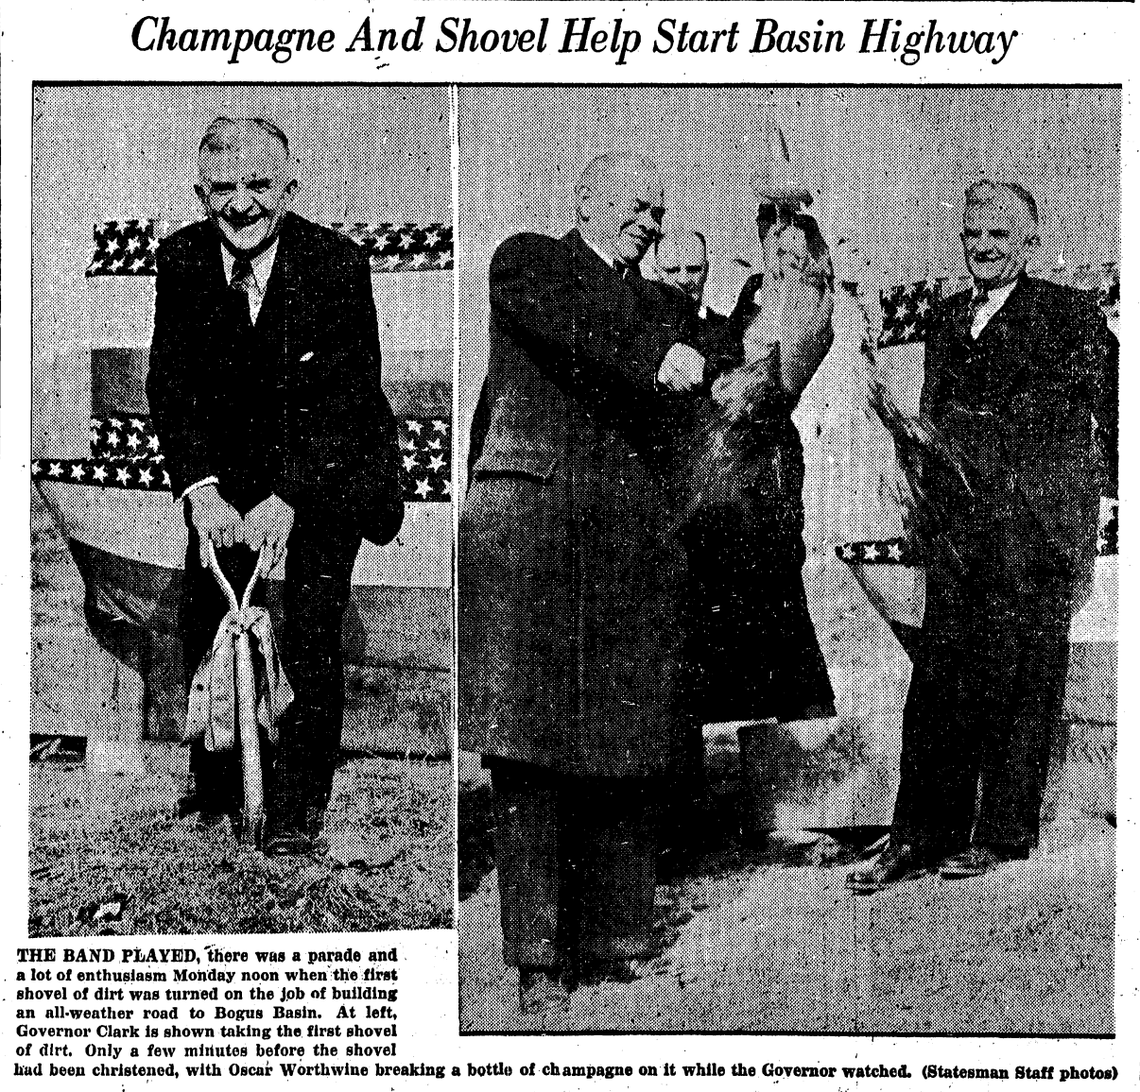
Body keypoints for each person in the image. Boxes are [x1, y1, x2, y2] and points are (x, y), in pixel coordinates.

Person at [459, 153, 708, 1013]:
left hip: (631, 541)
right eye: (638, 205)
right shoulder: (529, 260)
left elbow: (721, 388)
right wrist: (660, 355)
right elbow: (579, 328)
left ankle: (614, 939)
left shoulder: (670, 307)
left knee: (623, 736)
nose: (650, 221)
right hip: (534, 536)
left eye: (660, 211)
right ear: (587, 199)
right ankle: (537, 956)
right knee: (530, 750)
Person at [847, 180, 1118, 892]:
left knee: (1022, 682)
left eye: (999, 234)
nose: (984, 246)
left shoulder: (1070, 313)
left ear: (1030, 242)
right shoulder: (945, 318)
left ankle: (1002, 832)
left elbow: (1095, 411)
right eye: (973, 234)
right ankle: (918, 832)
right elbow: (934, 415)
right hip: (963, 530)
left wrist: (1089, 503)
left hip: (1033, 532)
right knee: (938, 681)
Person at [147, 117, 402, 856]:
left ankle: (295, 806)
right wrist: (201, 490)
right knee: (212, 613)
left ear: (289, 189)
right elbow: (175, 384)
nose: (241, 204)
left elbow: (350, 396)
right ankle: (220, 781)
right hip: (230, 475)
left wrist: (290, 498)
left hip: (330, 470)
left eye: (258, 185)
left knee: (310, 628)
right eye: (222, 188)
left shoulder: (337, 264)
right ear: (201, 193)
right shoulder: (182, 260)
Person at [677, 211, 836, 833]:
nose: (782, 257)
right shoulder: (755, 295)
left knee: (775, 637)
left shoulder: (806, 299)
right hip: (727, 484)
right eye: (774, 248)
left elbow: (768, 384)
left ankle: (785, 806)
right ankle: (751, 805)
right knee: (729, 639)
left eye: (794, 248)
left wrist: (723, 390)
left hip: (754, 481)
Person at [655, 230, 727, 333]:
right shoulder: (639, 325)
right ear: (658, 274)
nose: (683, 280)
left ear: (706, 271)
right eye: (672, 270)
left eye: (693, 270)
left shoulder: (725, 329)